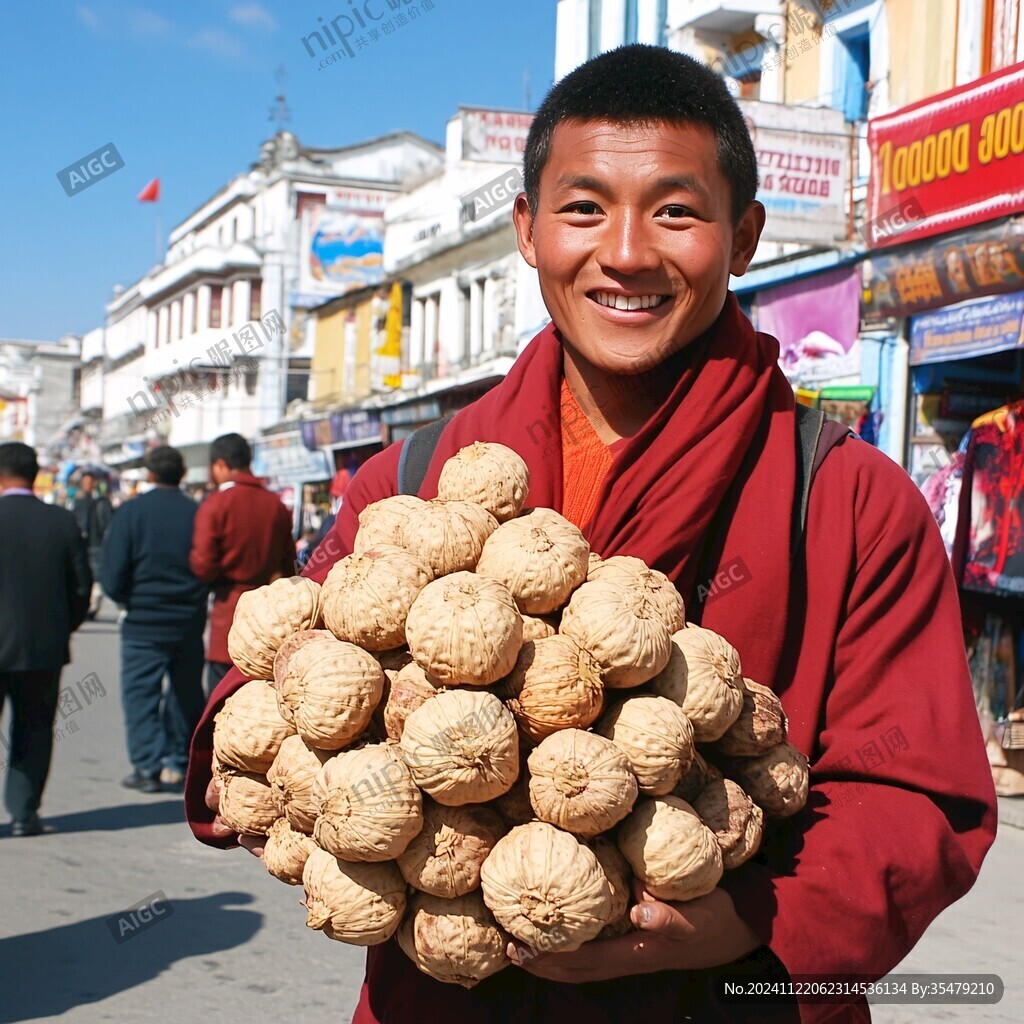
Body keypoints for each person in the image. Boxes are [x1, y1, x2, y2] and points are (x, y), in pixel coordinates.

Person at [184, 46, 997, 1023]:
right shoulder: (408, 479)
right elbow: (276, 691)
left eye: (676, 211)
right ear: (526, 230)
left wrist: (743, 916)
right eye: (582, 208)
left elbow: (918, 797)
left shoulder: (851, 499)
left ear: (743, 237)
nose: (625, 252)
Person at [100, 446, 208, 794]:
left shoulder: (131, 512)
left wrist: (125, 599)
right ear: (182, 476)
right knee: (185, 694)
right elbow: (207, 565)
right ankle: (179, 764)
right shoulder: (197, 513)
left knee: (140, 696)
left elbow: (112, 572)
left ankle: (147, 767)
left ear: (149, 474)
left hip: (143, 623)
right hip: (187, 621)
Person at [0, 442, 92, 836]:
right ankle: (23, 814)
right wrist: (60, 627)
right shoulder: (61, 521)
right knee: (34, 730)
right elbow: (82, 588)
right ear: (36, 475)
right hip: (43, 647)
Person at [189, 433, 295, 696]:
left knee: (221, 702)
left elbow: (202, 565)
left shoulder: (216, 504)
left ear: (221, 466)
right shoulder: (276, 505)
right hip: (267, 619)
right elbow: (290, 567)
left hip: (228, 613)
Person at [70, 470, 113, 619]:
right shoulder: (78, 501)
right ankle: (86, 606)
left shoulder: (102, 501)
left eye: (91, 482)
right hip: (82, 545)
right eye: (86, 482)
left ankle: (93, 607)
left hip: (98, 544)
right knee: (84, 578)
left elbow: (109, 523)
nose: (89, 485)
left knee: (97, 578)